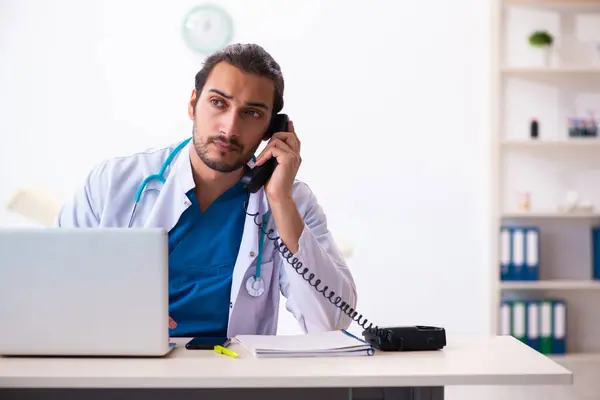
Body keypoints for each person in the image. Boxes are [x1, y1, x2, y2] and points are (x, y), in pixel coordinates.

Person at [56, 43, 357, 338]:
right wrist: (115, 312)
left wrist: (279, 199)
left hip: (231, 378)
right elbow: (54, 289)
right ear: (192, 105)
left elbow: (331, 323)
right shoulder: (113, 183)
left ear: (271, 130)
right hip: (126, 369)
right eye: (218, 103)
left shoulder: (291, 202)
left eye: (251, 113)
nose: (229, 128)